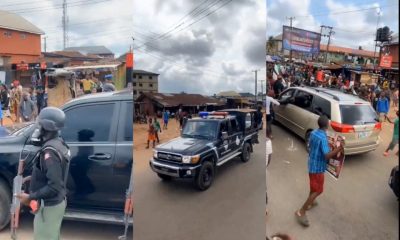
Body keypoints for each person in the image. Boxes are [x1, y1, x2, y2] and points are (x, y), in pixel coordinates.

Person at [16, 107, 70, 240]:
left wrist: (30, 197)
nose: (38, 128)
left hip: (49, 207)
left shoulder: (50, 152)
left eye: (40, 125)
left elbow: (54, 186)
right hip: (56, 203)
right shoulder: (59, 143)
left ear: (47, 127)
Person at [295, 115, 343, 227]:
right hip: (318, 168)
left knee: (313, 186)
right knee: (319, 190)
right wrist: (339, 149)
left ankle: (311, 201)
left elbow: (311, 146)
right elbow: (326, 155)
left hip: (312, 163)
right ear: (327, 125)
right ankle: (301, 211)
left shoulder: (313, 133)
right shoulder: (322, 137)